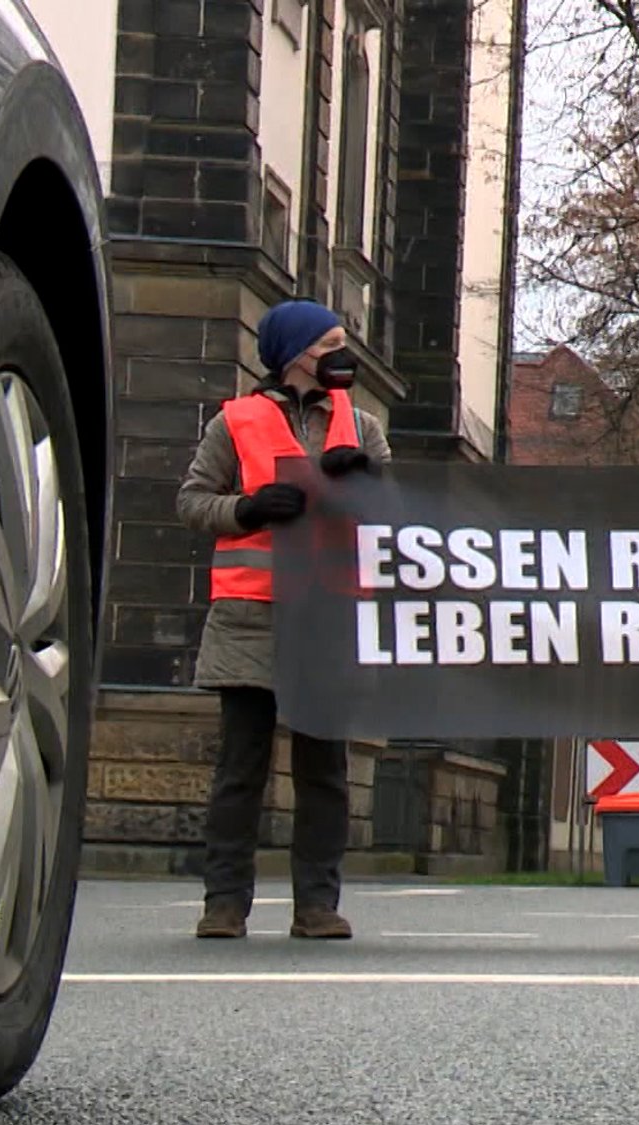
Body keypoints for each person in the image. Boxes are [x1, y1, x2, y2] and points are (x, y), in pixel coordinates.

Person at [178, 299, 391, 941]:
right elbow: (192, 502)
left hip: (326, 621)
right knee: (240, 770)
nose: (342, 351)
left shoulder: (364, 426)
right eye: (331, 341)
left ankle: (318, 906)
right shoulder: (234, 423)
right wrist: (248, 509)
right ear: (297, 353)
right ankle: (224, 904)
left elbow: (395, 522)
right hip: (248, 621)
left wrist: (367, 488)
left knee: (323, 772)